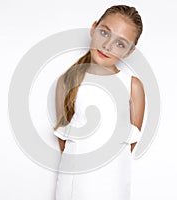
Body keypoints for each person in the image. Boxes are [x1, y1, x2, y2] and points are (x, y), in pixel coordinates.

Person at [53, 4, 145, 200]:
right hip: (74, 183)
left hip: (114, 183)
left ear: (129, 51)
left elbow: (130, 143)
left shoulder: (132, 86)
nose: (107, 46)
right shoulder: (67, 81)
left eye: (120, 43)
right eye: (104, 33)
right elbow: (63, 140)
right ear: (94, 28)